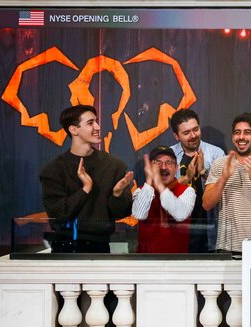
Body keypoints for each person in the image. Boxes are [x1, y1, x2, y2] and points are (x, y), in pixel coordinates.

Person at [40, 105, 133, 253]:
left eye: (96, 121)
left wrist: (117, 194)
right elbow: (59, 213)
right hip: (64, 247)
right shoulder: (54, 170)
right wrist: (85, 189)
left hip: (100, 246)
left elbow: (122, 212)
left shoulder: (114, 165)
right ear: (73, 130)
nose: (97, 127)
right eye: (90, 123)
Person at [202, 113, 251, 253]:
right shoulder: (220, 164)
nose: (241, 137)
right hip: (226, 247)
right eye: (237, 133)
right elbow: (207, 204)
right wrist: (224, 178)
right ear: (233, 138)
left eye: (247, 132)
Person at [170, 108, 224, 252]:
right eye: (186, 133)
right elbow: (162, 191)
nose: (193, 135)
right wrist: (186, 177)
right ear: (176, 136)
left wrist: (203, 172)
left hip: (208, 226)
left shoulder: (216, 153)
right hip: (177, 228)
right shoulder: (169, 156)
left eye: (196, 129)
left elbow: (222, 191)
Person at [132, 146, 196, 253]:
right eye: (157, 163)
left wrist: (158, 184)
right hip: (146, 262)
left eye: (169, 163)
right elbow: (139, 214)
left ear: (176, 168)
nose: (163, 167)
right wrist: (149, 181)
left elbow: (180, 215)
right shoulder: (141, 191)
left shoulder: (187, 191)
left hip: (177, 261)